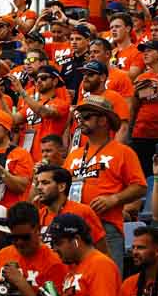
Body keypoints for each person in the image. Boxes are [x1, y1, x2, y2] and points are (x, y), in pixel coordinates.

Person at [62, 96, 146, 263]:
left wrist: (114, 199)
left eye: (87, 117)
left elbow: (140, 187)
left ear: (103, 120)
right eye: (79, 118)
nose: (81, 121)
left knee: (108, 279)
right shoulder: (74, 154)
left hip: (106, 226)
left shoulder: (123, 152)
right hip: (73, 228)